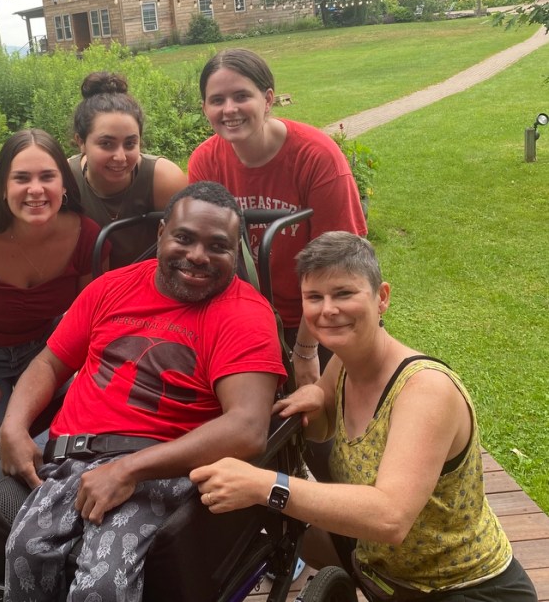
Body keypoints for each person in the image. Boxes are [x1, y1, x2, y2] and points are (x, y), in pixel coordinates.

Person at [190, 232, 538, 602]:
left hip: (464, 588)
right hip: (384, 572)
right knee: (302, 537)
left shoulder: (425, 391)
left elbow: (390, 518)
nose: (327, 309)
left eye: (344, 293)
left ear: (381, 297)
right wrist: (314, 398)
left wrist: (265, 486)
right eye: (315, 297)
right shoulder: (343, 364)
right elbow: (323, 424)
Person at [0, 181, 287, 602]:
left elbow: (247, 427)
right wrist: (14, 425)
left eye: (218, 246)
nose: (197, 257)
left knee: (100, 589)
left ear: (235, 251)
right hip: (69, 460)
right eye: (184, 238)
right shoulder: (110, 288)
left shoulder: (243, 315)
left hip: (159, 470)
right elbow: (48, 362)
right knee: (26, 555)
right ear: (161, 234)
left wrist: (128, 470)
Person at [0, 128, 108, 591]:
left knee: (51, 453)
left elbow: (86, 316)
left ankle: (40, 557)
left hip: (42, 353)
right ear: (2, 187)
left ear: (65, 183)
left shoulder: (86, 235)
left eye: (47, 176)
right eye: (21, 178)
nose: (36, 190)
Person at [188, 48, 367, 387]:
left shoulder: (316, 157)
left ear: (268, 99)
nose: (229, 109)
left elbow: (340, 260)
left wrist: (304, 349)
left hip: (324, 314)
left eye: (242, 96)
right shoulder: (205, 163)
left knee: (329, 418)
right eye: (217, 100)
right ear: (205, 108)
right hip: (248, 319)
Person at [69, 71, 188, 268]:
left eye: (130, 143)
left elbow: (189, 245)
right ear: (81, 142)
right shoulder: (65, 180)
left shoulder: (163, 179)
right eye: (106, 144)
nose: (120, 157)